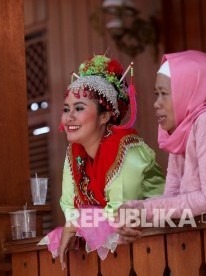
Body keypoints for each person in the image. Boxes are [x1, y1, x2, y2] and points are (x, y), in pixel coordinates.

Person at [117, 50, 206, 243]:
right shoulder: (184, 130)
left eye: (163, 94)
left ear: (189, 91)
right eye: (156, 94)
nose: (156, 103)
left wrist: (144, 211)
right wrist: (134, 215)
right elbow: (172, 197)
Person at [38, 54, 165, 266]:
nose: (69, 117)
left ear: (104, 117)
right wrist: (75, 222)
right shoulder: (74, 153)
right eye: (66, 109)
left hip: (162, 239)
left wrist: (76, 223)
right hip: (125, 247)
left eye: (79, 108)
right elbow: (69, 208)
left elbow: (120, 212)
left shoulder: (127, 150)